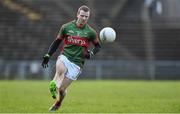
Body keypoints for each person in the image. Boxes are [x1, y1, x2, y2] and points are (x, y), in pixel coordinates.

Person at [42, 5, 101, 111]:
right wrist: (48, 55)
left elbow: (98, 46)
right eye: (82, 15)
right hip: (65, 56)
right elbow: (57, 42)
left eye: (86, 17)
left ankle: (58, 102)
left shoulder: (91, 32)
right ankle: (54, 85)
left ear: (88, 17)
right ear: (77, 14)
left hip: (77, 63)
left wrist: (91, 54)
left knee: (62, 90)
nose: (84, 18)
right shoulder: (66, 27)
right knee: (60, 72)